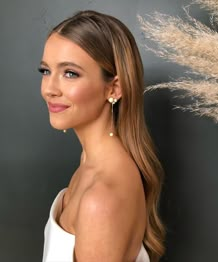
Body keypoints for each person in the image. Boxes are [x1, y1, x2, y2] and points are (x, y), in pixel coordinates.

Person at [38, 10, 165, 262]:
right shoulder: (92, 163)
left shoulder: (101, 198)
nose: (49, 89)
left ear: (114, 87)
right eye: (45, 71)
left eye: (70, 73)